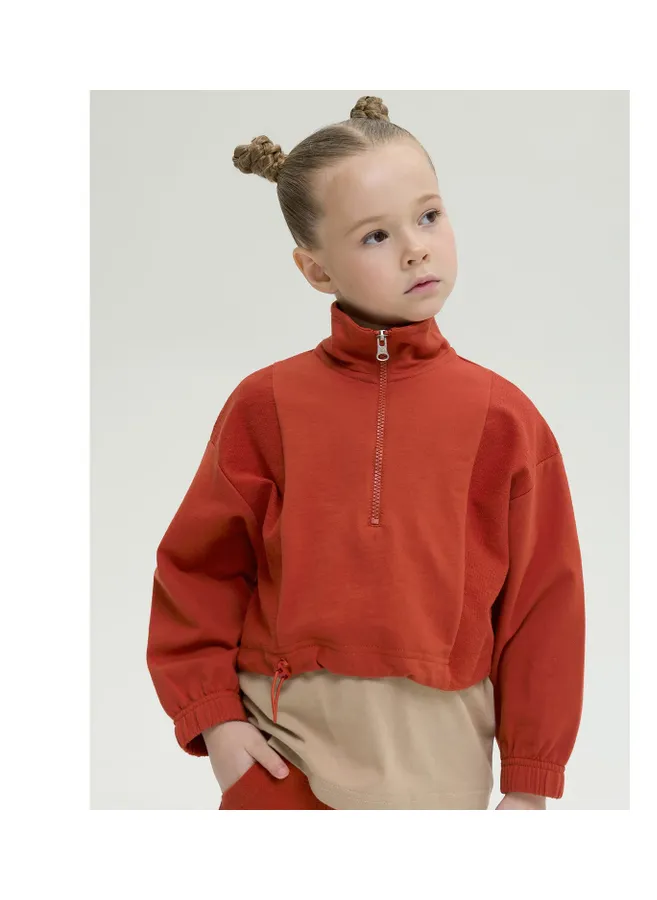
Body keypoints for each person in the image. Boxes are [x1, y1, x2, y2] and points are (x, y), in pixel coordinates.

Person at [145, 95, 586, 810]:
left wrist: (531, 782)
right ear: (315, 270)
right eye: (375, 235)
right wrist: (216, 722)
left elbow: (544, 606)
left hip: (440, 758)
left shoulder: (505, 419)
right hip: (282, 750)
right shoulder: (265, 405)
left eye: (428, 216)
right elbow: (198, 570)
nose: (415, 247)